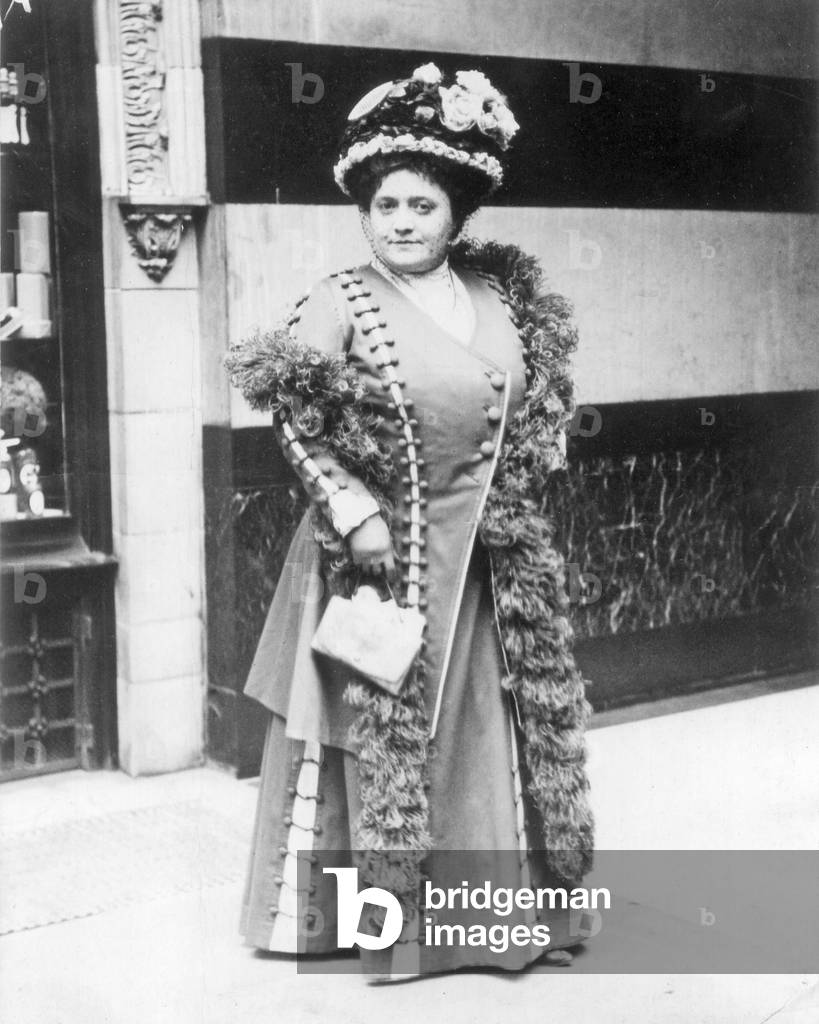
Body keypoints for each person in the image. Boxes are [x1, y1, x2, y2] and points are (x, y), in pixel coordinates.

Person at [226, 62, 594, 980]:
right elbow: (291, 419)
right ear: (363, 212)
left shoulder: (501, 302)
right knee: (368, 730)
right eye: (384, 204)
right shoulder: (337, 301)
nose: (400, 221)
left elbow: (533, 407)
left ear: (455, 215)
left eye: (421, 207)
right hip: (377, 566)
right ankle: (357, 925)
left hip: (481, 565)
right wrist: (352, 510)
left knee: (484, 729)